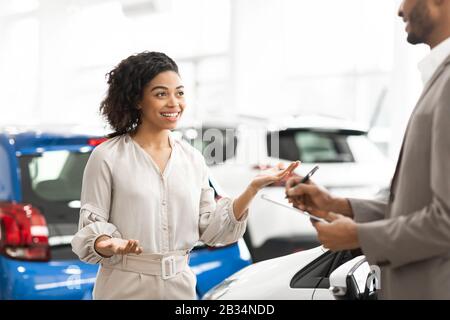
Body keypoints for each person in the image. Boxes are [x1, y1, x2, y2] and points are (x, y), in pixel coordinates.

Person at [71, 51, 299, 299]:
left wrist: (252, 189)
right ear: (137, 100)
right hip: (123, 287)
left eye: (179, 93)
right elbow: (91, 228)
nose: (174, 103)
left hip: (180, 287)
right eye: (161, 94)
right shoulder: (107, 157)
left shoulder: (193, 159)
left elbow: (212, 230)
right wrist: (108, 244)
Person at [285, 0, 450, 299]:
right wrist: (337, 204)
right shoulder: (439, 79)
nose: (400, 10)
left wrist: (358, 236)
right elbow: (417, 207)